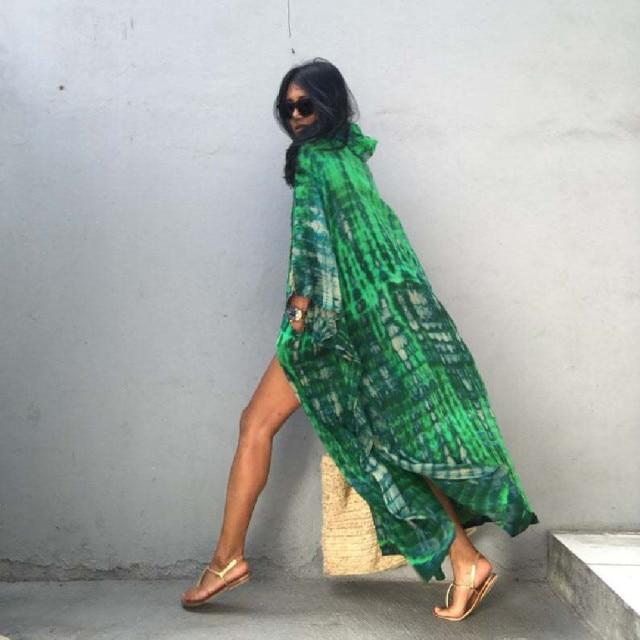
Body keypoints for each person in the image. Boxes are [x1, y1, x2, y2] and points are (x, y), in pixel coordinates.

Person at [181, 57, 539, 621]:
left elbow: (313, 248)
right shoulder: (352, 160)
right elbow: (379, 246)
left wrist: (301, 318)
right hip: (378, 328)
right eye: (287, 107)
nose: (296, 116)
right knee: (392, 444)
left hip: (331, 328)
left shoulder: (316, 161)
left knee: (256, 425)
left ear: (328, 105)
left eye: (305, 105)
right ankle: (467, 561)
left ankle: (227, 560)